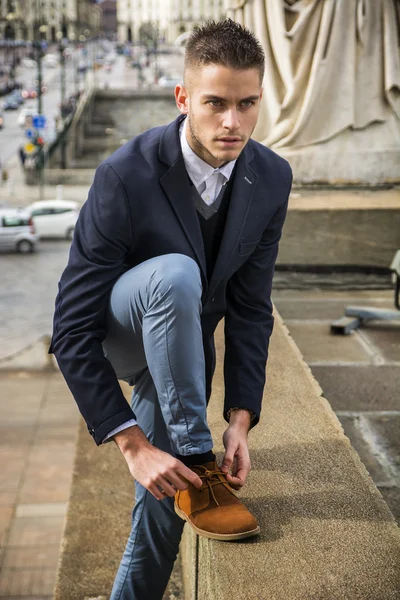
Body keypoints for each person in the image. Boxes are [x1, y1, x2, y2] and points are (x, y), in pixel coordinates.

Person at [50, 19, 292, 600]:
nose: (232, 122)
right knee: (176, 271)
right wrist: (132, 445)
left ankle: (187, 481)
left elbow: (252, 307)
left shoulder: (273, 176)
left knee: (168, 501)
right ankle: (194, 450)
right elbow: (70, 330)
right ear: (183, 98)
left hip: (183, 343)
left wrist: (239, 418)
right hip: (122, 329)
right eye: (215, 103)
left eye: (246, 104)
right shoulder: (124, 176)